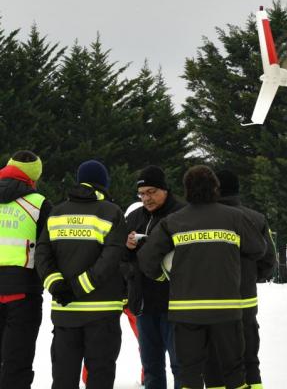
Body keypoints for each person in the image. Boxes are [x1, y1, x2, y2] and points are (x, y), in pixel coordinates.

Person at [138, 165, 266, 389]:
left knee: (190, 376)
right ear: (215, 188)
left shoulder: (174, 221)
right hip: (226, 311)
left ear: (186, 190)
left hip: (186, 314)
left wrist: (165, 277)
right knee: (235, 374)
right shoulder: (234, 218)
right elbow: (258, 249)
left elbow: (147, 258)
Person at [35, 160, 128, 389]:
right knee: (100, 377)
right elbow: (111, 259)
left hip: (65, 313)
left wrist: (57, 286)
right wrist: (79, 287)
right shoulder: (111, 212)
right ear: (103, 182)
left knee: (64, 378)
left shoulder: (57, 212)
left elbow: (42, 254)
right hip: (102, 312)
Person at [203, 169, 277, 389]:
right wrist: (252, 276)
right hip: (245, 301)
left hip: (210, 302)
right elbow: (268, 261)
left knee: (213, 361)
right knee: (250, 360)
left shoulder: (203, 218)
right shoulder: (256, 218)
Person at [124, 165, 185, 389]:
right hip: (144, 302)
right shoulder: (134, 216)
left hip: (175, 303)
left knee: (181, 365)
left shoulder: (181, 213)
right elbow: (123, 258)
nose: (146, 198)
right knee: (150, 366)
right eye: (142, 194)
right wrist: (128, 246)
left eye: (151, 192)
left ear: (165, 189)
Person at [0, 150, 52, 388]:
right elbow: (47, 249)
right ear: (34, 177)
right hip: (23, 293)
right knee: (17, 361)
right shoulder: (39, 204)